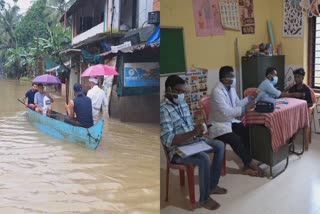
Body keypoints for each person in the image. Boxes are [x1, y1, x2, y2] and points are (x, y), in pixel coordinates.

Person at [160, 75, 226, 210]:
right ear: (169, 89)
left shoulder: (182, 103)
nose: (182, 95)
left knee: (219, 145)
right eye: (179, 92)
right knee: (203, 158)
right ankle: (204, 199)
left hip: (193, 141)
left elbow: (190, 125)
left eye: (184, 92)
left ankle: (212, 185)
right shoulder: (163, 110)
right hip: (177, 150)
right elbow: (169, 140)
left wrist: (199, 128)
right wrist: (192, 133)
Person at [209, 66, 263, 177]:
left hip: (230, 121)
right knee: (235, 139)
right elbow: (226, 112)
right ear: (224, 79)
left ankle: (246, 164)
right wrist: (246, 108)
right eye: (232, 76)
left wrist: (250, 98)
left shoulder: (231, 89)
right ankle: (251, 163)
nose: (234, 79)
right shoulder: (217, 92)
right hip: (219, 125)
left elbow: (237, 104)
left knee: (246, 132)